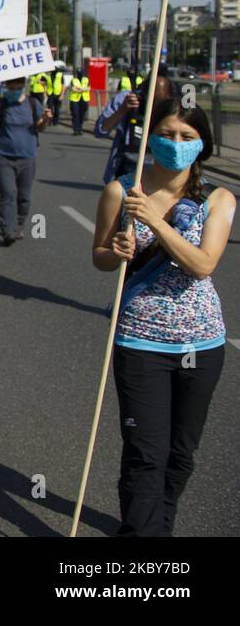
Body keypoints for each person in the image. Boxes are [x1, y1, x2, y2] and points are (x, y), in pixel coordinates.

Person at [91, 100, 231, 536]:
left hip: (201, 344)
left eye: (187, 137)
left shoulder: (218, 198)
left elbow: (203, 264)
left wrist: (156, 221)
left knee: (180, 454)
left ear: (203, 145)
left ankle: (158, 526)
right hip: (140, 342)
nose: (175, 144)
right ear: (149, 137)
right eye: (166, 134)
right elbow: (98, 258)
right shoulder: (122, 190)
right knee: (145, 453)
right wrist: (113, 252)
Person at [0, 78, 51, 246]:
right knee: (8, 193)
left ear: (23, 87)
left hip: (27, 157)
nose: (14, 90)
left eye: (17, 87)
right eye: (11, 87)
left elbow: (40, 127)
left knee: (24, 195)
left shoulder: (32, 104)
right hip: (3, 156)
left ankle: (19, 223)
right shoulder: (3, 102)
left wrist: (46, 119)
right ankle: (7, 230)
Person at [96, 75, 175, 183]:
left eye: (159, 103)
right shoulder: (126, 99)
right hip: (127, 167)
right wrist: (122, 110)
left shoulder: (174, 108)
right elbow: (100, 130)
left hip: (158, 169)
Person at [69, 68, 91, 135]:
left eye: (81, 72)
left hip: (84, 100)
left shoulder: (86, 79)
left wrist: (79, 88)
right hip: (74, 100)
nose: (79, 74)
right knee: (75, 114)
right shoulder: (73, 80)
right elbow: (73, 89)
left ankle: (80, 129)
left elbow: (89, 88)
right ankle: (75, 130)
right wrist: (83, 89)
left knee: (82, 115)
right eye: (78, 73)